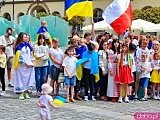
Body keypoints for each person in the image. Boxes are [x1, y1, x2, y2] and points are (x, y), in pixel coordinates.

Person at [14, 32, 35, 100]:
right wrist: (25, 63)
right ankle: (21, 93)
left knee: (28, 79)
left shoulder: (28, 45)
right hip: (21, 66)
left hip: (29, 65)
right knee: (21, 79)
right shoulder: (18, 46)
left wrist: (33, 61)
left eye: (26, 37)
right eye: (25, 37)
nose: (26, 38)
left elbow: (31, 54)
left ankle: (26, 92)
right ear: (21, 38)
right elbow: (19, 56)